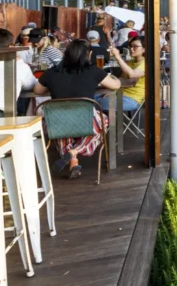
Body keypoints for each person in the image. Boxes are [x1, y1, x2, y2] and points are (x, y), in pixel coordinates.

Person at [34, 39, 120, 180]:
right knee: (103, 123)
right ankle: (74, 152)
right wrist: (113, 76)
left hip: (57, 122)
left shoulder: (52, 72)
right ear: (89, 54)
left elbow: (37, 90)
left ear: (65, 55)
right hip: (87, 120)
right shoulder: (93, 71)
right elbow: (116, 85)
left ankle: (72, 161)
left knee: (61, 130)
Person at [105, 36, 145, 113]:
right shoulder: (131, 62)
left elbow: (132, 74)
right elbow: (121, 79)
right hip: (120, 95)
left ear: (144, 49)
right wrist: (112, 91)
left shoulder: (146, 63)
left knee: (93, 103)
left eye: (135, 46)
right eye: (130, 46)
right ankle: (104, 123)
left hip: (133, 99)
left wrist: (117, 56)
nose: (131, 49)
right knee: (93, 98)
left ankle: (103, 124)